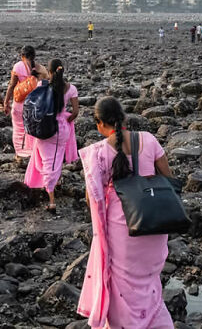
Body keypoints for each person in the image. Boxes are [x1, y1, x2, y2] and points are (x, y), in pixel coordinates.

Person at [77, 97, 174, 328]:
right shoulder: (149, 140)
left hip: (123, 234)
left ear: (100, 124)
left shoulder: (98, 153)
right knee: (150, 285)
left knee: (124, 292)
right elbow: (168, 180)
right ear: (124, 117)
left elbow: (92, 200)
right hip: (154, 227)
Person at [24, 59, 79, 212]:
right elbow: (75, 112)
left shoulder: (43, 85)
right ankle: (55, 183)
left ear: (50, 72)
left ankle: (52, 200)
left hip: (44, 126)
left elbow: (35, 97)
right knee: (57, 157)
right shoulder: (70, 88)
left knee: (48, 161)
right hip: (61, 128)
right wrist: (65, 119)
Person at [3, 45, 50, 162]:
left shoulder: (18, 66)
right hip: (34, 104)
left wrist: (5, 102)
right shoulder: (41, 69)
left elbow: (11, 85)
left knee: (18, 129)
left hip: (19, 104)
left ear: (22, 56)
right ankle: (33, 153)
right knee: (32, 129)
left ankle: (20, 154)